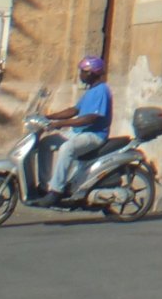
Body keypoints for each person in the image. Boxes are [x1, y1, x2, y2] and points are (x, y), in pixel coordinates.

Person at [30, 56, 113, 206]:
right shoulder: (90, 90)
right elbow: (74, 110)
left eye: (84, 71)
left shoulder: (101, 91)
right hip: (78, 133)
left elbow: (90, 118)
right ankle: (44, 186)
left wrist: (61, 123)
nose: (81, 74)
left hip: (94, 135)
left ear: (93, 72)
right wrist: (48, 117)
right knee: (46, 143)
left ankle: (56, 191)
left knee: (67, 148)